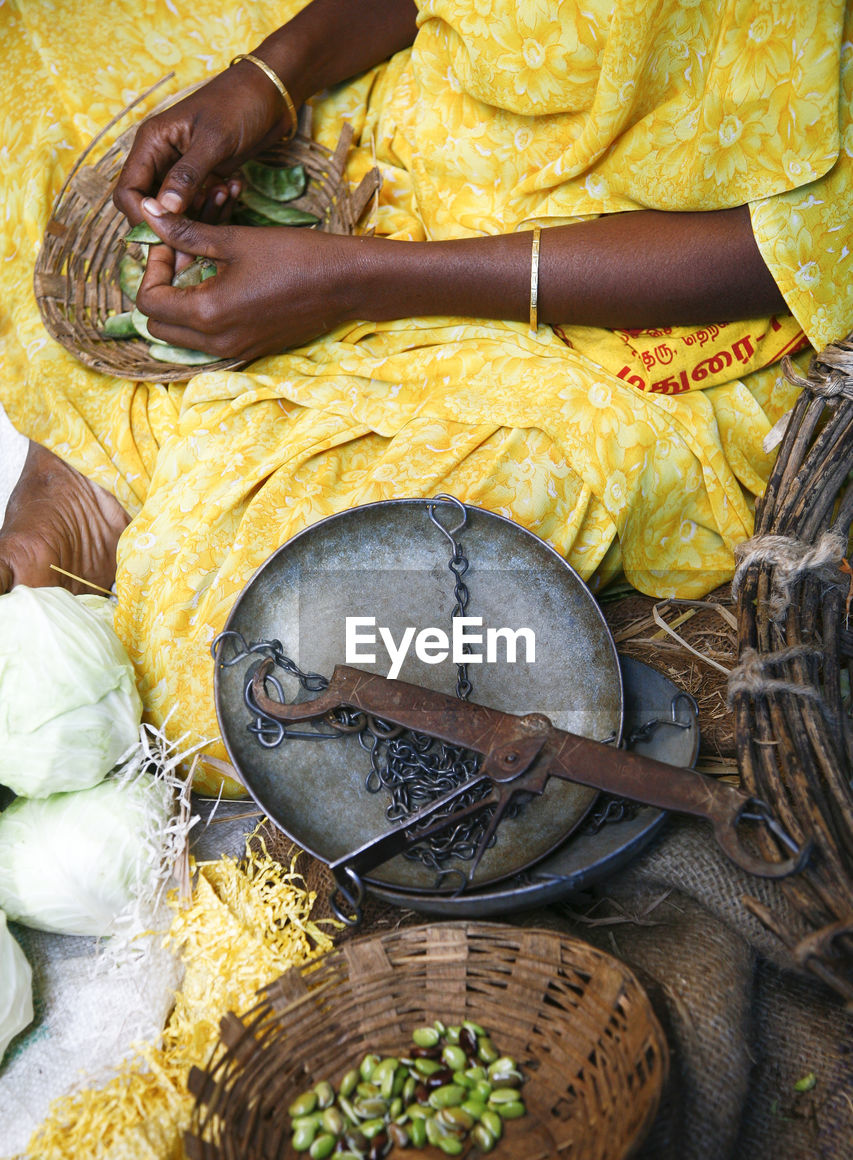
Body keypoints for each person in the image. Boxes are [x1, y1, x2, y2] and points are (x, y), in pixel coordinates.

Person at [0, 0, 850, 791]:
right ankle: (100, 466)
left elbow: (794, 249)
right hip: (431, 126)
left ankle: (120, 463)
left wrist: (361, 284)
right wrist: (263, 79)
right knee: (28, 88)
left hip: (626, 320)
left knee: (239, 681)